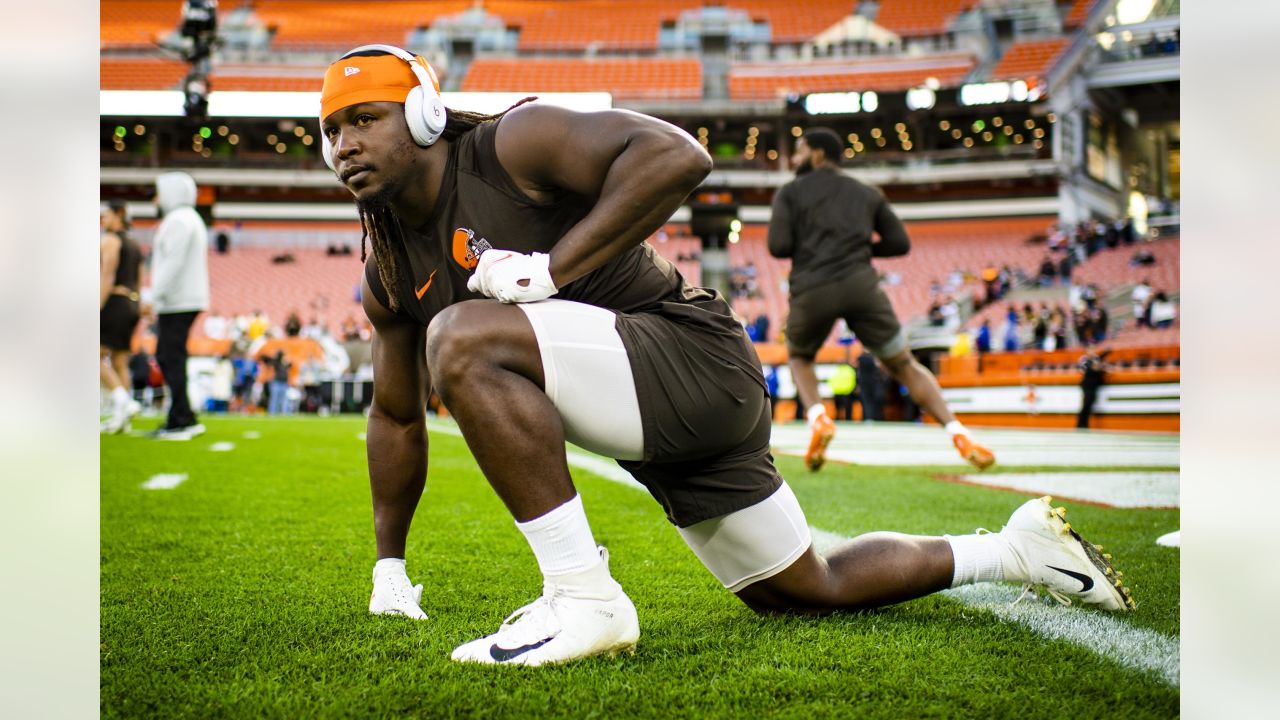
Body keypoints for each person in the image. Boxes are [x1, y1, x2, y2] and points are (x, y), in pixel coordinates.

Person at [319, 45, 1131, 668]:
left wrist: (549, 269)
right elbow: (394, 417)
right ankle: (1015, 549)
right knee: (806, 586)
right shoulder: (388, 270)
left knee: (461, 334)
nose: (346, 142)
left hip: (689, 357)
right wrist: (390, 567)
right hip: (649, 403)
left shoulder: (510, 145)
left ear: (425, 113)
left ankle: (581, 597)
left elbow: (677, 156)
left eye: (364, 118)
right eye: (331, 131)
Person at [767, 128, 995, 472]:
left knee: (799, 357)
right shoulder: (867, 193)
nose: (794, 159)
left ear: (817, 154)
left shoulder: (790, 193)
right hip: (862, 286)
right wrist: (859, 249)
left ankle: (818, 417)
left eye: (799, 151)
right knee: (903, 364)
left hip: (812, 288)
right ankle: (957, 432)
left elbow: (778, 246)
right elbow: (900, 243)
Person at [145, 171, 210, 439]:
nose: (156, 199)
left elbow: (171, 263)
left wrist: (154, 296)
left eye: (160, 192)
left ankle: (182, 418)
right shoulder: (189, 218)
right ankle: (181, 415)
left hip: (177, 300)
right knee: (171, 356)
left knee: (170, 357)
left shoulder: (178, 221)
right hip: (183, 298)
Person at [99, 201, 144, 433]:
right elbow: (139, 280)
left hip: (114, 301)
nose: (102, 219)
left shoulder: (109, 241)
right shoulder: (135, 245)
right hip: (131, 304)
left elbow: (106, 276)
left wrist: (97, 306)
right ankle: (121, 421)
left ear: (118, 215)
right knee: (120, 361)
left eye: (105, 214)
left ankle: (123, 401)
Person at [1077, 348, 1110, 429]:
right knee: (1086, 405)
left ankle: (1084, 424)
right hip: (1087, 385)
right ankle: (1081, 424)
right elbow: (1086, 368)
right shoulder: (1085, 360)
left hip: (1093, 386)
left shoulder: (1095, 360)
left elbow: (1099, 368)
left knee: (1089, 406)